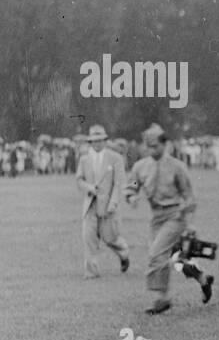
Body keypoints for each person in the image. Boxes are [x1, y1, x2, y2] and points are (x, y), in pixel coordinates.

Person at [125, 124, 208, 313]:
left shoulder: (177, 167)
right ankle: (203, 278)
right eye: (147, 146)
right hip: (156, 218)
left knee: (156, 254)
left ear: (165, 144)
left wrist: (191, 222)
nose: (150, 150)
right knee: (174, 259)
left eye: (154, 146)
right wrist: (131, 196)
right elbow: (133, 185)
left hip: (175, 216)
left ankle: (162, 298)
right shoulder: (140, 167)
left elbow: (189, 197)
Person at [76, 124, 130, 279]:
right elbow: (79, 179)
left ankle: (124, 253)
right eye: (94, 141)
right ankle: (91, 272)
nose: (97, 144)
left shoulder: (115, 158)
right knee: (89, 239)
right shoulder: (84, 159)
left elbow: (119, 183)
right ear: (90, 142)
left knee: (110, 238)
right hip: (90, 205)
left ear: (105, 141)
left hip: (108, 207)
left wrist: (113, 203)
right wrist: (89, 187)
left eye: (100, 140)